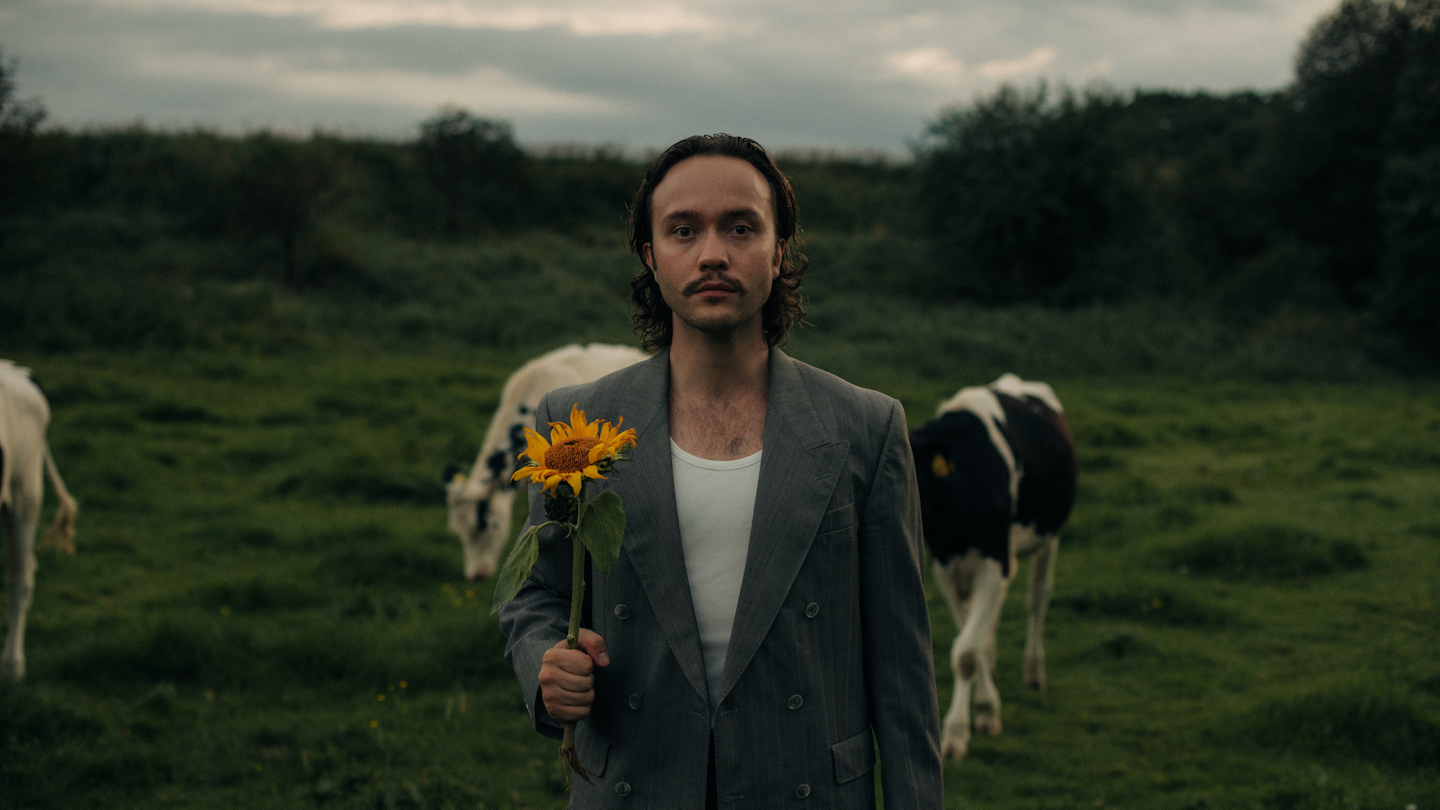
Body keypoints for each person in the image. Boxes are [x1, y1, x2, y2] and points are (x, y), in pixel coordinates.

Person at [498, 134, 942, 807]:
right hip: (634, 784)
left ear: (779, 250)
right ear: (650, 255)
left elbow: (902, 666)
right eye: (683, 230)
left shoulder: (867, 428)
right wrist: (544, 666)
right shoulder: (574, 425)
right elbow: (537, 595)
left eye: (741, 227)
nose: (712, 253)